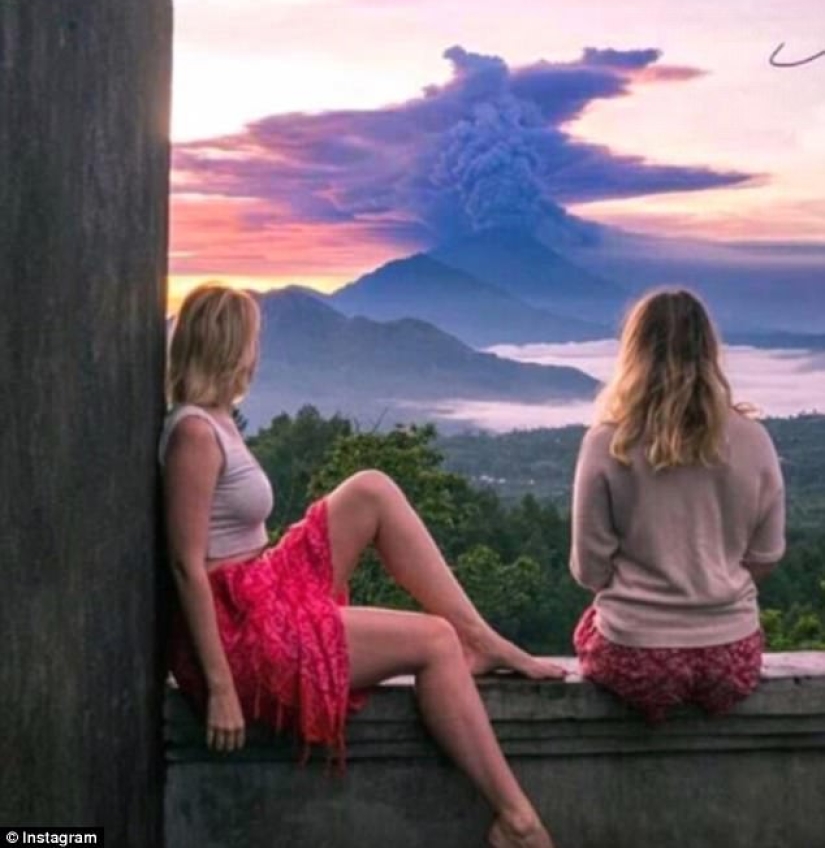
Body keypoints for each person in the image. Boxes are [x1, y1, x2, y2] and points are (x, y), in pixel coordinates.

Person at [160, 283, 566, 848]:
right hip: (240, 633)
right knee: (434, 641)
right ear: (229, 348)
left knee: (371, 489)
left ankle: (483, 638)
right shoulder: (194, 435)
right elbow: (184, 565)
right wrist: (221, 687)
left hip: (261, 588)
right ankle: (516, 819)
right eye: (251, 341)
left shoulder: (216, 418)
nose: (257, 353)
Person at [569, 288, 785, 723]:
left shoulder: (607, 442)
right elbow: (766, 555)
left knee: (588, 628)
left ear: (633, 353)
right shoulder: (754, 438)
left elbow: (590, 570)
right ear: (711, 351)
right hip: (731, 657)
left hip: (637, 660)